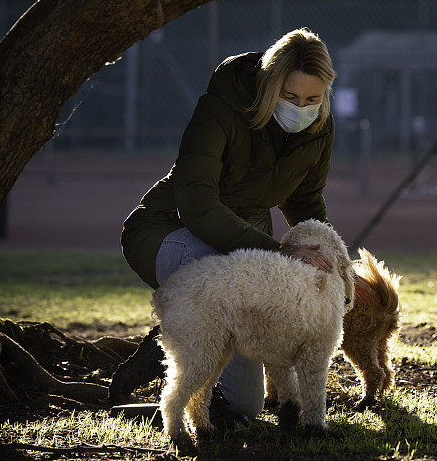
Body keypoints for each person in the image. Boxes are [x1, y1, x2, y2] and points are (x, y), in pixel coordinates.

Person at [119, 27, 337, 421]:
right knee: (229, 288)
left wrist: (329, 262)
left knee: (243, 408)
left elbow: (305, 201)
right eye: (289, 97)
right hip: (169, 231)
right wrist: (280, 251)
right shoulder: (220, 108)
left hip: (239, 243)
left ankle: (185, 336)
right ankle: (176, 376)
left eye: (311, 99)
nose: (300, 107)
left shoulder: (319, 127)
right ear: (270, 84)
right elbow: (196, 203)